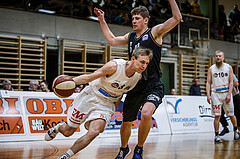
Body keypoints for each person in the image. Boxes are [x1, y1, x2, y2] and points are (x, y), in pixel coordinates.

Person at [94, 1, 182, 158]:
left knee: (146, 114)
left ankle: (139, 148)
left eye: (136, 18)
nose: (133, 21)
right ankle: (124, 148)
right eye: (132, 18)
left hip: (153, 85)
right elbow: (112, 41)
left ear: (145, 20)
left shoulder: (155, 33)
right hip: (134, 85)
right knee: (126, 122)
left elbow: (177, 18)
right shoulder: (131, 37)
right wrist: (102, 20)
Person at [44, 47, 153, 159]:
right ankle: (57, 128)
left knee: (94, 132)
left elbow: (120, 93)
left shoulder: (137, 77)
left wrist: (112, 111)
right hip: (91, 96)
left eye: (146, 63)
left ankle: (65, 157)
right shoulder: (114, 66)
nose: (144, 66)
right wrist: (70, 82)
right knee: (68, 132)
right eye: (142, 62)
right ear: (133, 59)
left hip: (107, 104)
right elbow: (90, 77)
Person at [206, 50, 239, 143]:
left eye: (220, 56)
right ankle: (216, 135)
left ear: (223, 58)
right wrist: (208, 95)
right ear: (214, 57)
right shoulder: (211, 69)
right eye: (216, 56)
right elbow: (208, 82)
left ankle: (236, 130)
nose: (218, 57)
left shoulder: (228, 67)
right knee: (217, 115)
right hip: (215, 93)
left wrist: (229, 94)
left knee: (231, 114)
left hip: (226, 93)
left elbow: (231, 81)